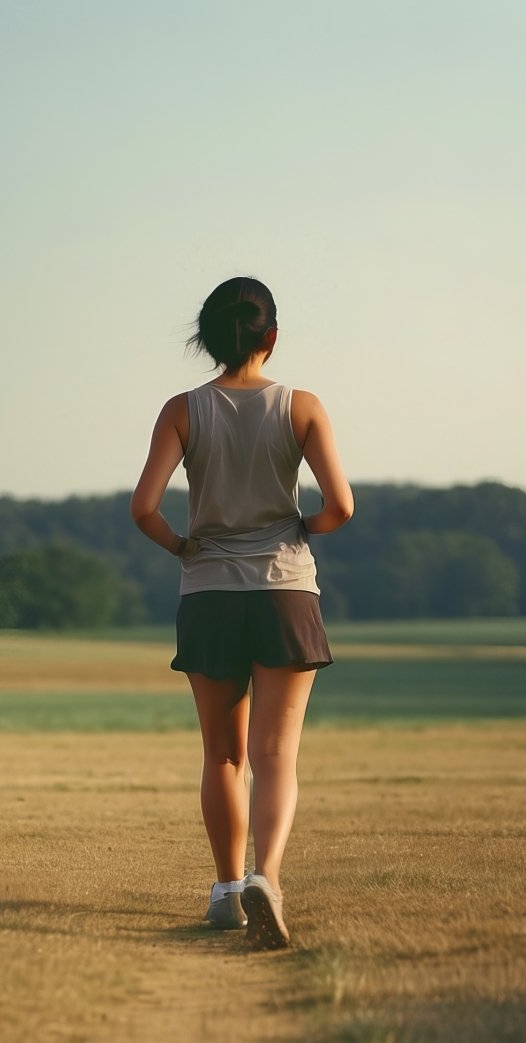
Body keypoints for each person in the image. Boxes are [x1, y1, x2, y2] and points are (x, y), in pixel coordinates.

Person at [129, 276, 353, 949]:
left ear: (207, 339)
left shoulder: (182, 409)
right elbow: (341, 508)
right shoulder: (303, 406)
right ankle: (268, 879)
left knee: (223, 756)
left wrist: (184, 545)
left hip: (209, 592)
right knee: (276, 754)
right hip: (285, 588)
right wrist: (295, 529)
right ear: (271, 337)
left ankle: (227, 889)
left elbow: (144, 508)